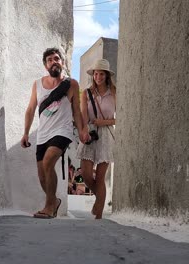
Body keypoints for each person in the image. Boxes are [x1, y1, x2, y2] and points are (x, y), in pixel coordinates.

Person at [21, 47, 89, 219]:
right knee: (42, 175)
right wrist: (26, 133)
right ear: (46, 65)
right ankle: (54, 201)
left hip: (62, 131)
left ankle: (49, 207)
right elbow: (30, 109)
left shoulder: (71, 84)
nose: (54, 61)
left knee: (48, 161)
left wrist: (81, 130)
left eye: (57, 58)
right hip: (43, 133)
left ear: (62, 63)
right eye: (50, 60)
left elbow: (76, 111)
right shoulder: (37, 84)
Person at [76, 59, 116, 219]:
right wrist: (83, 130)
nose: (98, 76)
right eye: (96, 73)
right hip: (91, 133)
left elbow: (120, 118)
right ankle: (100, 200)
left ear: (106, 76)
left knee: (100, 177)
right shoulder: (86, 93)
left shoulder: (114, 93)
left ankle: (98, 214)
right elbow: (83, 114)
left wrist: (104, 122)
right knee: (85, 174)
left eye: (101, 74)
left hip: (106, 134)